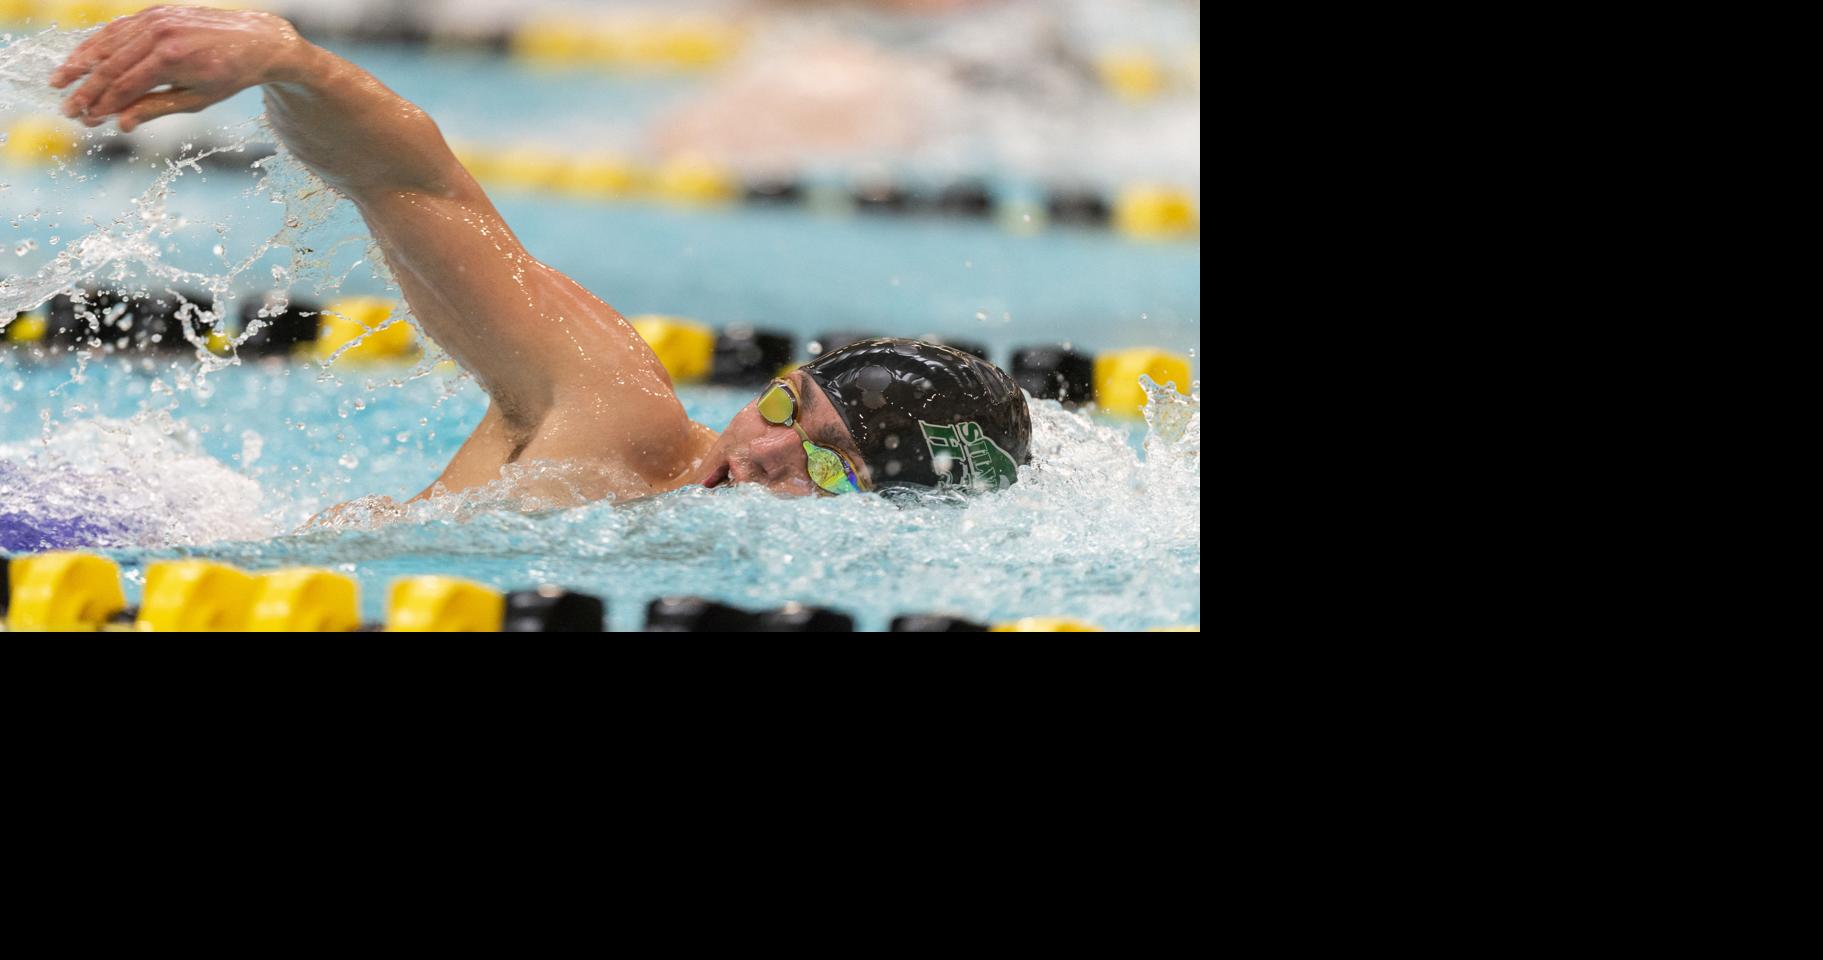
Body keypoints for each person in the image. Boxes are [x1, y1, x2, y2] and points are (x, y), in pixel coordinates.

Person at [46, 5, 1031, 509]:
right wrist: (290, 60)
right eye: (784, 405)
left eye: (830, 458)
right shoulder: (617, 418)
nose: (765, 450)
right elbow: (421, 188)